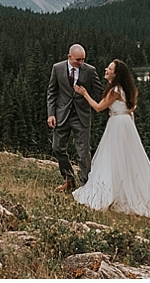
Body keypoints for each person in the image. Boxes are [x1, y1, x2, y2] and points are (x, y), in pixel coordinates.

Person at [72, 59, 150, 218]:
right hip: (125, 124)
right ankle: (123, 188)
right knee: (125, 159)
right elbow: (131, 109)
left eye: (109, 68)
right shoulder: (124, 89)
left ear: (116, 74)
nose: (106, 69)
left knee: (113, 158)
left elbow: (98, 108)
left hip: (118, 125)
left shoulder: (115, 91)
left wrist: (84, 94)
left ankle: (115, 191)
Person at [46, 44, 101, 193]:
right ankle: (69, 179)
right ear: (69, 57)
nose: (81, 63)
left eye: (83, 60)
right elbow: (52, 92)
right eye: (78, 60)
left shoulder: (90, 71)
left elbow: (99, 92)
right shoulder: (57, 68)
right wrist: (51, 114)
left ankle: (86, 186)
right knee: (57, 148)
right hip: (61, 116)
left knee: (83, 152)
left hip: (81, 117)